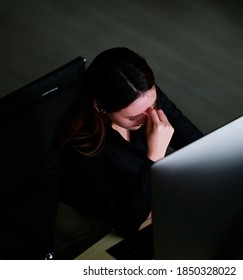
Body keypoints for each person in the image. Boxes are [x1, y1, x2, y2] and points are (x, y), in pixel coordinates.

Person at [56, 47, 203, 241]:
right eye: (133, 117)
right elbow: (125, 225)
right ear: (101, 107)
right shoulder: (82, 144)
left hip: (141, 202)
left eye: (151, 105)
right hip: (92, 227)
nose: (148, 116)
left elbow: (202, 149)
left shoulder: (143, 100)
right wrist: (155, 155)